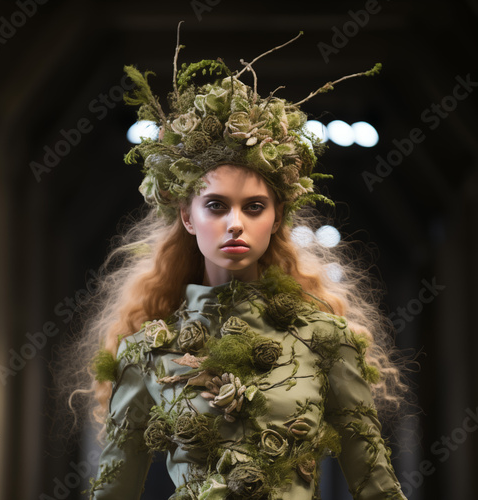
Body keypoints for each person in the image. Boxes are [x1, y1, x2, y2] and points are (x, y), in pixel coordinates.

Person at [71, 29, 409, 500]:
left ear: (276, 218)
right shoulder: (144, 353)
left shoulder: (325, 340)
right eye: (215, 206)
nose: (235, 224)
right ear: (187, 216)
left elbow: (375, 485)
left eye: (253, 207)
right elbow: (114, 490)